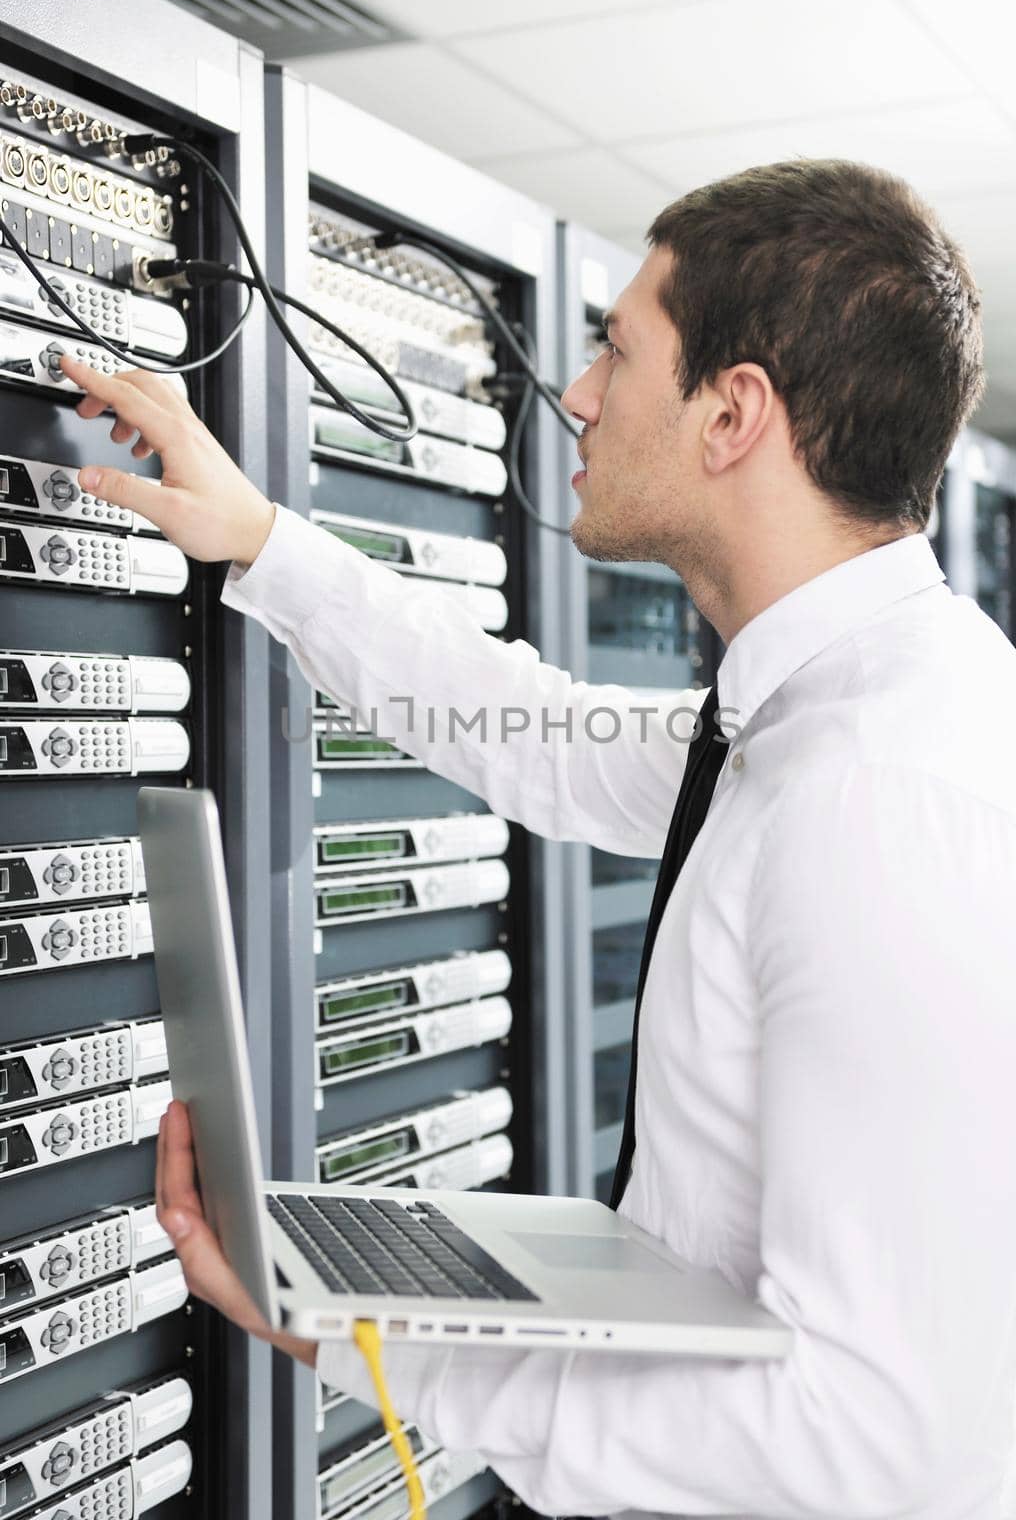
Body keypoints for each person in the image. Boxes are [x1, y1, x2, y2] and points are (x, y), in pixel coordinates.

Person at [62, 158, 1016, 1520]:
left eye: (618, 350)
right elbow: (538, 734)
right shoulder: (814, 716)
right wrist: (260, 539)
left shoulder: (878, 793)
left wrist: (369, 1326)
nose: (575, 392)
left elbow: (872, 1448)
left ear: (733, 414)